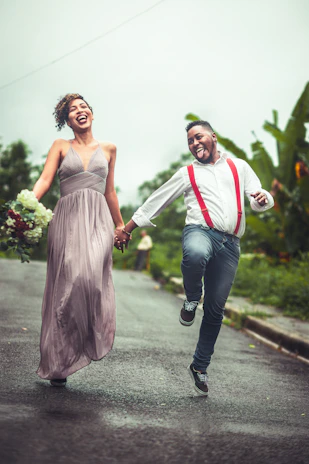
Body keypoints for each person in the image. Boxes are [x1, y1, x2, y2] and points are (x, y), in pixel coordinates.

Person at [116, 120, 274, 396]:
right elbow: (158, 199)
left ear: (213, 136)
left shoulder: (239, 166)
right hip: (199, 231)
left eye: (198, 137)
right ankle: (190, 298)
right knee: (195, 254)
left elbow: (256, 199)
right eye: (189, 141)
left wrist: (263, 199)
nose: (194, 143)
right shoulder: (187, 173)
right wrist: (127, 229)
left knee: (215, 309)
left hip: (230, 244)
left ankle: (200, 366)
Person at [33, 93, 129, 387]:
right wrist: (26, 204)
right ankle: (59, 359)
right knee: (69, 281)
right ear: (67, 120)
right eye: (73, 110)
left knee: (89, 279)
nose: (79, 111)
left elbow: (109, 192)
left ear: (92, 113)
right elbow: (46, 180)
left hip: (99, 221)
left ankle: (85, 341)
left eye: (83, 106)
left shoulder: (110, 148)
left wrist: (121, 225)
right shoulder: (61, 146)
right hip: (68, 220)